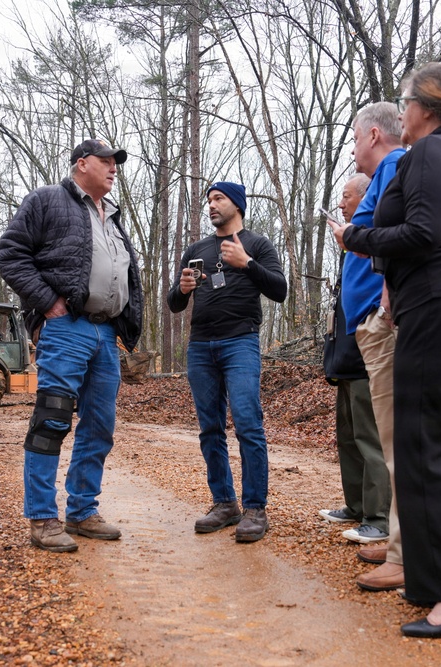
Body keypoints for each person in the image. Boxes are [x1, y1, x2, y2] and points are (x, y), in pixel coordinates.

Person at [329, 63, 441, 638]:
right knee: (432, 446)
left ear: (426, 106)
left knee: (426, 450)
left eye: (405, 103)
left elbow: (424, 235)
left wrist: (356, 237)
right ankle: (433, 581)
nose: (400, 114)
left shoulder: (431, 153)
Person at [0, 139, 144, 553]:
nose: (114, 169)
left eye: (117, 164)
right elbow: (10, 254)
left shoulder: (112, 217)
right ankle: (43, 517)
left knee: (99, 426)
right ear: (82, 164)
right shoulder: (47, 200)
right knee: (52, 420)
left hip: (105, 334)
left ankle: (82, 512)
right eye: (106, 162)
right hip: (66, 328)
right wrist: (48, 302)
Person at [167, 182, 288, 543]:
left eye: (218, 199)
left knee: (248, 423)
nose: (211, 206)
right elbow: (175, 303)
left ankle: (254, 508)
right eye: (209, 200)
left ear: (237, 204)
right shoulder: (197, 249)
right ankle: (224, 503)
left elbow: (280, 290)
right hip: (201, 346)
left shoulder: (257, 244)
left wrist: (246, 263)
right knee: (210, 428)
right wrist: (184, 288)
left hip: (241, 342)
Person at [334, 102, 409, 593]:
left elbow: (390, 239)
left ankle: (402, 543)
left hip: (393, 320)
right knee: (388, 437)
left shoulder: (398, 167)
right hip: (374, 319)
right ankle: (401, 542)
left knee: (398, 440)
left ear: (374, 134)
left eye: (356, 140)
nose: (354, 151)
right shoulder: (392, 173)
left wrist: (353, 236)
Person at [319, 173, 391, 552]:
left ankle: (378, 519)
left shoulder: (374, 232)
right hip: (345, 353)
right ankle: (357, 505)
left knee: (370, 437)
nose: (343, 204)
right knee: (347, 437)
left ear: (365, 197)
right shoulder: (352, 242)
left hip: (368, 351)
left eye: (347, 197)